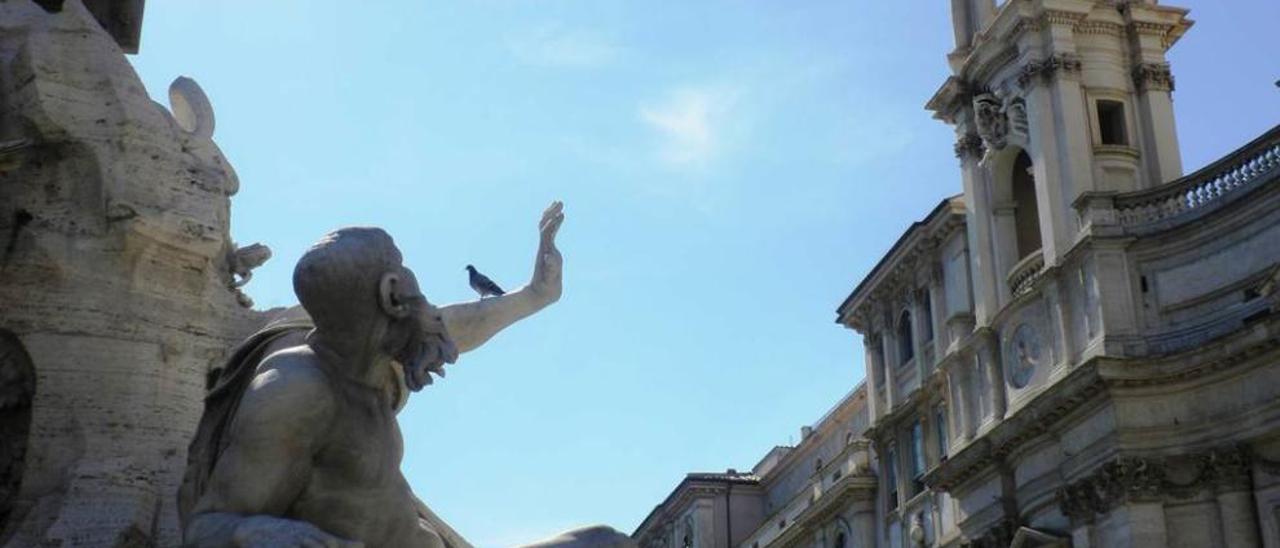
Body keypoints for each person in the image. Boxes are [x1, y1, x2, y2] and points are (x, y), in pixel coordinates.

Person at [180, 202, 564, 547]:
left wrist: (535, 294)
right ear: (392, 292)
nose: (429, 304)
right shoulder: (298, 389)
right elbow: (206, 527)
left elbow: (454, 325)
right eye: (405, 269)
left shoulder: (368, 366)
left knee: (606, 542)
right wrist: (254, 533)